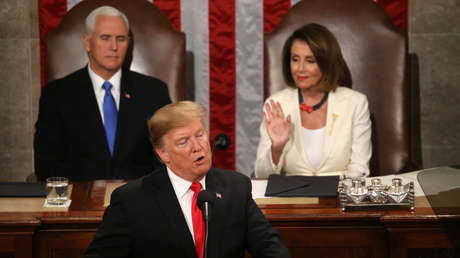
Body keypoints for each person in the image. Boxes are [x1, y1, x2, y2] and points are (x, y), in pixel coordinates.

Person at [84, 101, 291, 258]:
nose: (197, 146)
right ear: (163, 153)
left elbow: (270, 248)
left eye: (200, 135)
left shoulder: (236, 188)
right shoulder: (132, 201)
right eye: (184, 142)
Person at [34, 6, 171, 181]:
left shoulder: (154, 92)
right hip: (79, 200)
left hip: (140, 199)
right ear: (87, 42)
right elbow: (46, 164)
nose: (113, 47)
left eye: (120, 39)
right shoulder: (56, 95)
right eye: (105, 38)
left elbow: (166, 157)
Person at [254, 23, 371, 179]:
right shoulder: (277, 104)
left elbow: (359, 169)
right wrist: (277, 148)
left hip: (339, 197)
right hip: (293, 199)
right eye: (295, 59)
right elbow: (261, 175)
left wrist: (331, 192)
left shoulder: (356, 103)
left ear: (326, 62)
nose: (300, 68)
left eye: (310, 60)